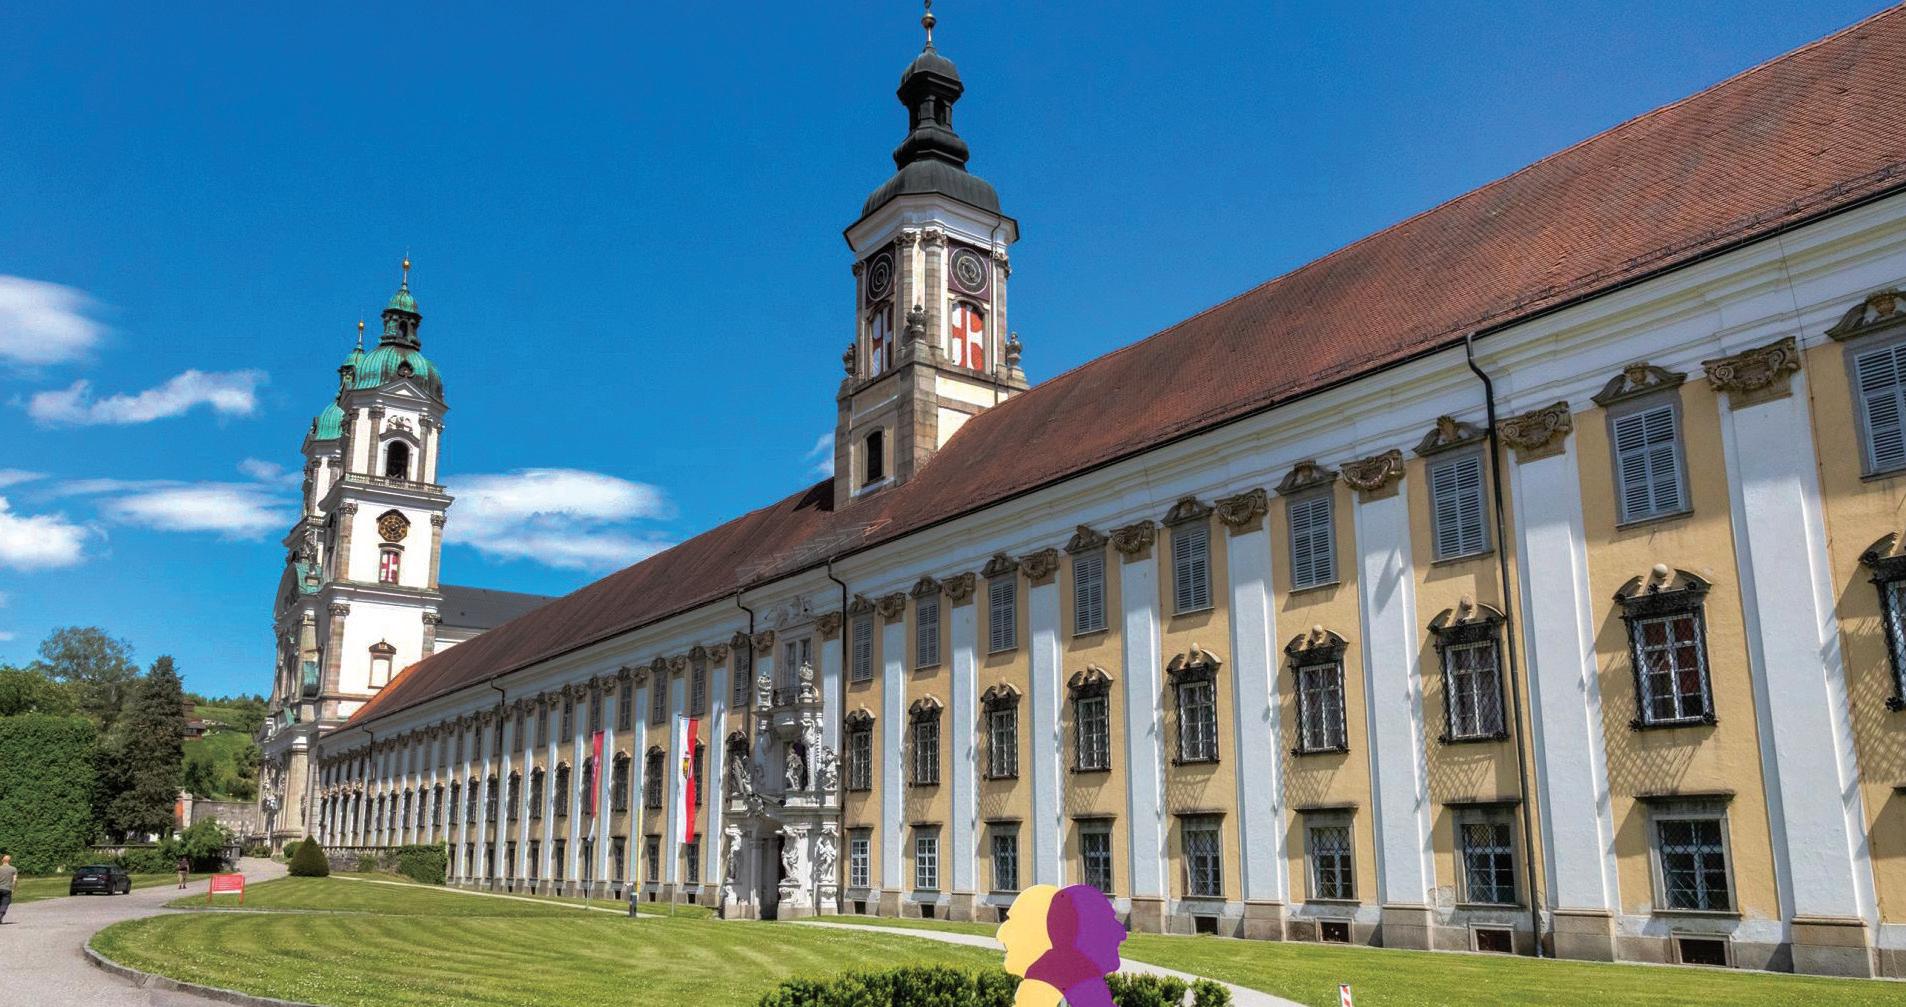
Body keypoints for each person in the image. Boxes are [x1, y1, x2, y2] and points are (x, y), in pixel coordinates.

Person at [0, 854, 17, 924]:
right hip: (7, 889)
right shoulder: (13, 869)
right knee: (5, 903)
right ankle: (0, 915)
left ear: (2, 860)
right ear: (10, 861)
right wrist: (13, 889)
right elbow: (14, 880)